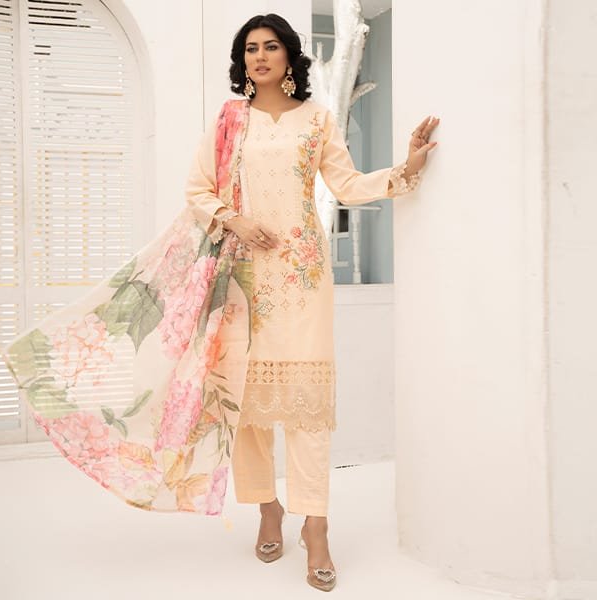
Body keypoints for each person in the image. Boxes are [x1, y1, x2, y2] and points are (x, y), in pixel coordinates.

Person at [184, 13, 439, 592]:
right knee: (248, 406)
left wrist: (405, 170)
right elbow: (197, 189)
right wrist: (234, 220)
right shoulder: (229, 120)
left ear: (289, 55)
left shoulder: (317, 119)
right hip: (242, 276)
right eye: (250, 48)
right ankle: (267, 506)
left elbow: (346, 185)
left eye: (270, 46)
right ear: (242, 60)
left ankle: (316, 526)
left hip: (301, 276)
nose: (259, 56)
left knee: (307, 409)